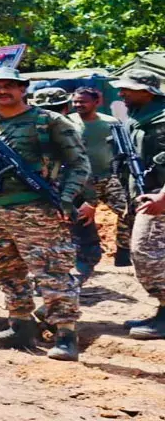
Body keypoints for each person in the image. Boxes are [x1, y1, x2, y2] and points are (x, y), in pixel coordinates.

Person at [0, 68, 88, 361]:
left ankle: (65, 333)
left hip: (37, 209)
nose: (2, 91)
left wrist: (66, 199)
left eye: (9, 86)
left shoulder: (49, 121)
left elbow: (79, 164)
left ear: (23, 88)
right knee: (5, 271)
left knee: (52, 271)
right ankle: (20, 326)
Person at [111, 70, 165, 339]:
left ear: (148, 91)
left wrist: (163, 197)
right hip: (146, 196)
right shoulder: (137, 118)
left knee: (147, 257)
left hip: (159, 199)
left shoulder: (162, 119)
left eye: (127, 89)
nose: (121, 93)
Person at [31, 87, 103, 287]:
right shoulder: (68, 127)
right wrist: (91, 200)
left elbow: (81, 166)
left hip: (50, 194)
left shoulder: (26, 127)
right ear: (66, 106)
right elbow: (83, 166)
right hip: (64, 193)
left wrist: (90, 201)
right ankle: (64, 283)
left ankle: (59, 283)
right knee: (82, 245)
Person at [69, 87, 132, 267]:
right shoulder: (67, 123)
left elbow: (122, 150)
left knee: (128, 211)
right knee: (80, 219)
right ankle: (81, 258)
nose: (78, 105)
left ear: (97, 102)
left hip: (108, 178)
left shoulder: (110, 123)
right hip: (81, 182)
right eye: (76, 101)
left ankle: (123, 254)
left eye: (83, 101)